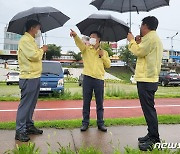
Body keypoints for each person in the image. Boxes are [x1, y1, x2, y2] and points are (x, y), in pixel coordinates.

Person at [127, 16, 163, 151]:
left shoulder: (151, 38)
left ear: (146, 26)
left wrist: (131, 41)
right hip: (148, 79)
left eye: (141, 25)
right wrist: (138, 41)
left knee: (149, 110)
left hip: (147, 80)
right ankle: (151, 134)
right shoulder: (152, 38)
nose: (140, 28)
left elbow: (139, 51)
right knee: (148, 110)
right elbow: (143, 49)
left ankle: (154, 139)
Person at [70, 29, 111, 132]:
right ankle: (85, 123)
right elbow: (80, 44)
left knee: (100, 103)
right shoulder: (86, 49)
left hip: (99, 79)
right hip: (87, 78)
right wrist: (75, 36)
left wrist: (102, 56)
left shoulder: (104, 52)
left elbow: (108, 65)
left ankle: (100, 123)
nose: (91, 39)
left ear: (99, 39)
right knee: (86, 102)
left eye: (93, 37)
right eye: (90, 37)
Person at [15, 19, 48, 142]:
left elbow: (34, 54)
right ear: (32, 28)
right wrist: (42, 50)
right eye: (38, 28)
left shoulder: (31, 40)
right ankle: (20, 130)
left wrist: (40, 50)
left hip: (34, 76)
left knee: (31, 105)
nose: (39, 31)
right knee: (25, 106)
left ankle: (28, 125)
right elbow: (33, 56)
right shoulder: (25, 40)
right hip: (28, 77)